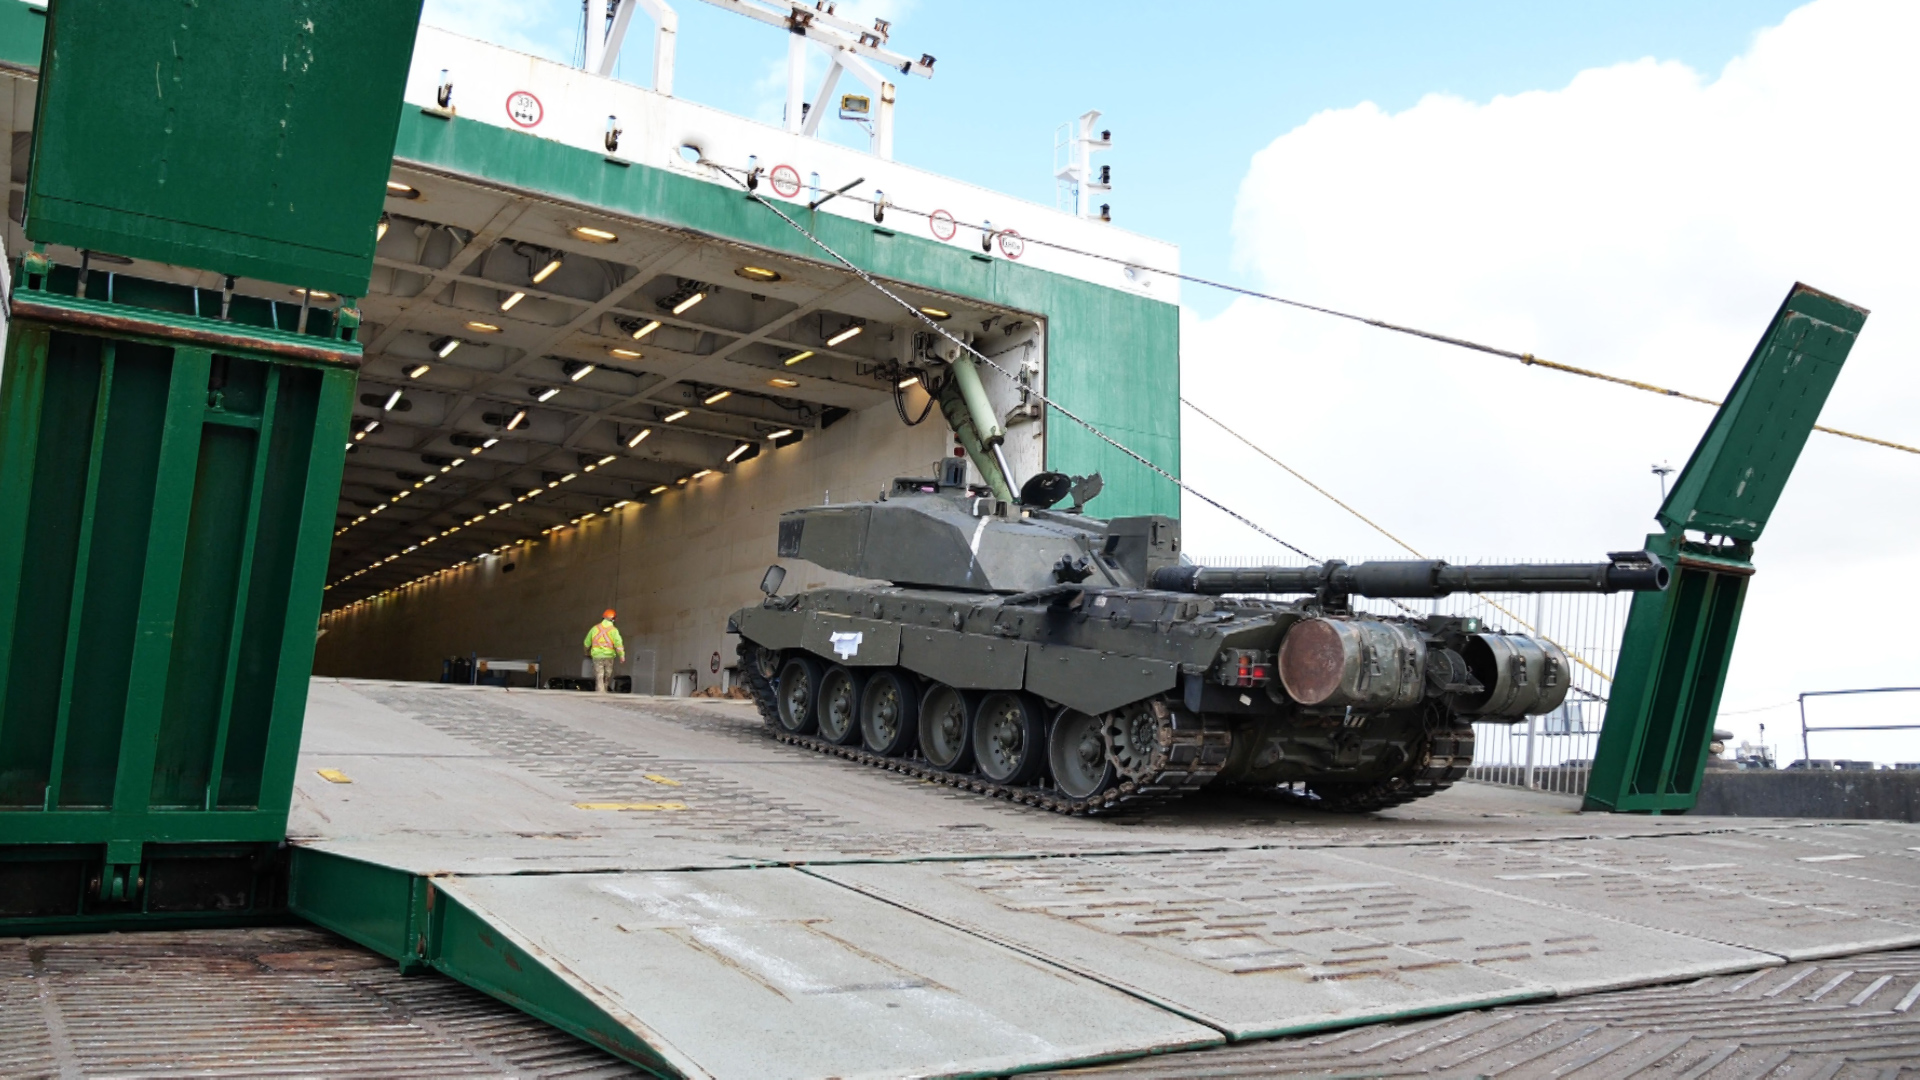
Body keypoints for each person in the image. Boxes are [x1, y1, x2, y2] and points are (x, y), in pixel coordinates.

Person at [584, 609, 625, 692]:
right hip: (609, 656)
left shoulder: (594, 629)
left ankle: (600, 692)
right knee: (607, 675)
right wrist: (622, 655)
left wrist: (586, 652)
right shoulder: (614, 630)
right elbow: (618, 644)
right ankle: (603, 690)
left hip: (597, 656)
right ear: (613, 619)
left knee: (599, 675)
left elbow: (586, 643)